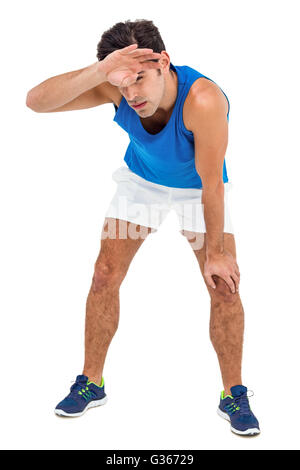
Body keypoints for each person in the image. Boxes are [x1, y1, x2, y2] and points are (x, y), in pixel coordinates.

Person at [26, 19, 260, 435]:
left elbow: (211, 184)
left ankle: (233, 392)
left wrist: (217, 252)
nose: (131, 94)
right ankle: (91, 383)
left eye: (139, 79)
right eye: (121, 84)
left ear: (163, 63)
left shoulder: (202, 100)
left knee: (224, 284)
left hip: (198, 192)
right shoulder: (115, 87)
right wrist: (101, 73)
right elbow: (36, 102)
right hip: (141, 184)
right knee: (103, 275)